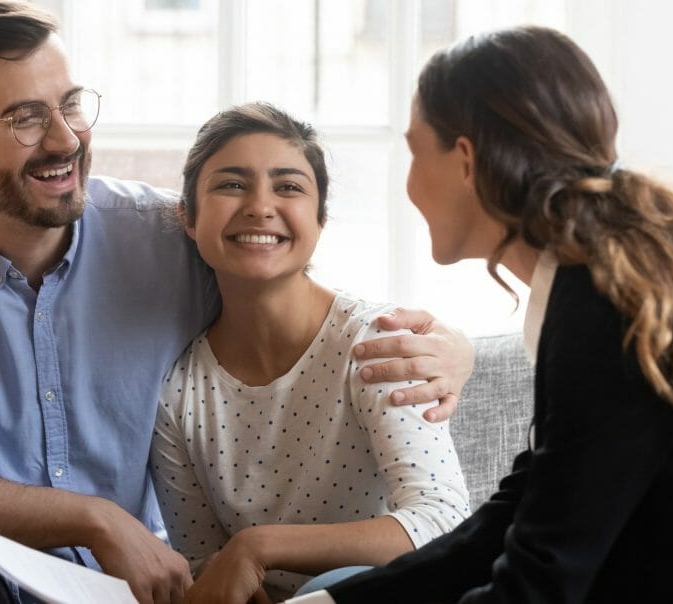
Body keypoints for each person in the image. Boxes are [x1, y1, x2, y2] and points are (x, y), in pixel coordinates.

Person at [0, 2, 475, 603]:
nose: (65, 138)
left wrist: (452, 345)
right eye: (25, 117)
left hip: (137, 595)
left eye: (70, 104)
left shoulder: (164, 235)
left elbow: (281, 270)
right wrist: (92, 518)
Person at [289, 25, 673, 604]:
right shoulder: (587, 280)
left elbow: (540, 580)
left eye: (415, 153)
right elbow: (519, 513)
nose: (409, 183)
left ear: (465, 161)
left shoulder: (601, 306)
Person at [149, 103, 470, 604]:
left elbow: (440, 521)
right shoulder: (177, 393)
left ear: (320, 220)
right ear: (188, 217)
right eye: (231, 184)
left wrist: (258, 547)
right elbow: (207, 569)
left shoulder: (376, 346)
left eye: (289, 186)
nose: (260, 206)